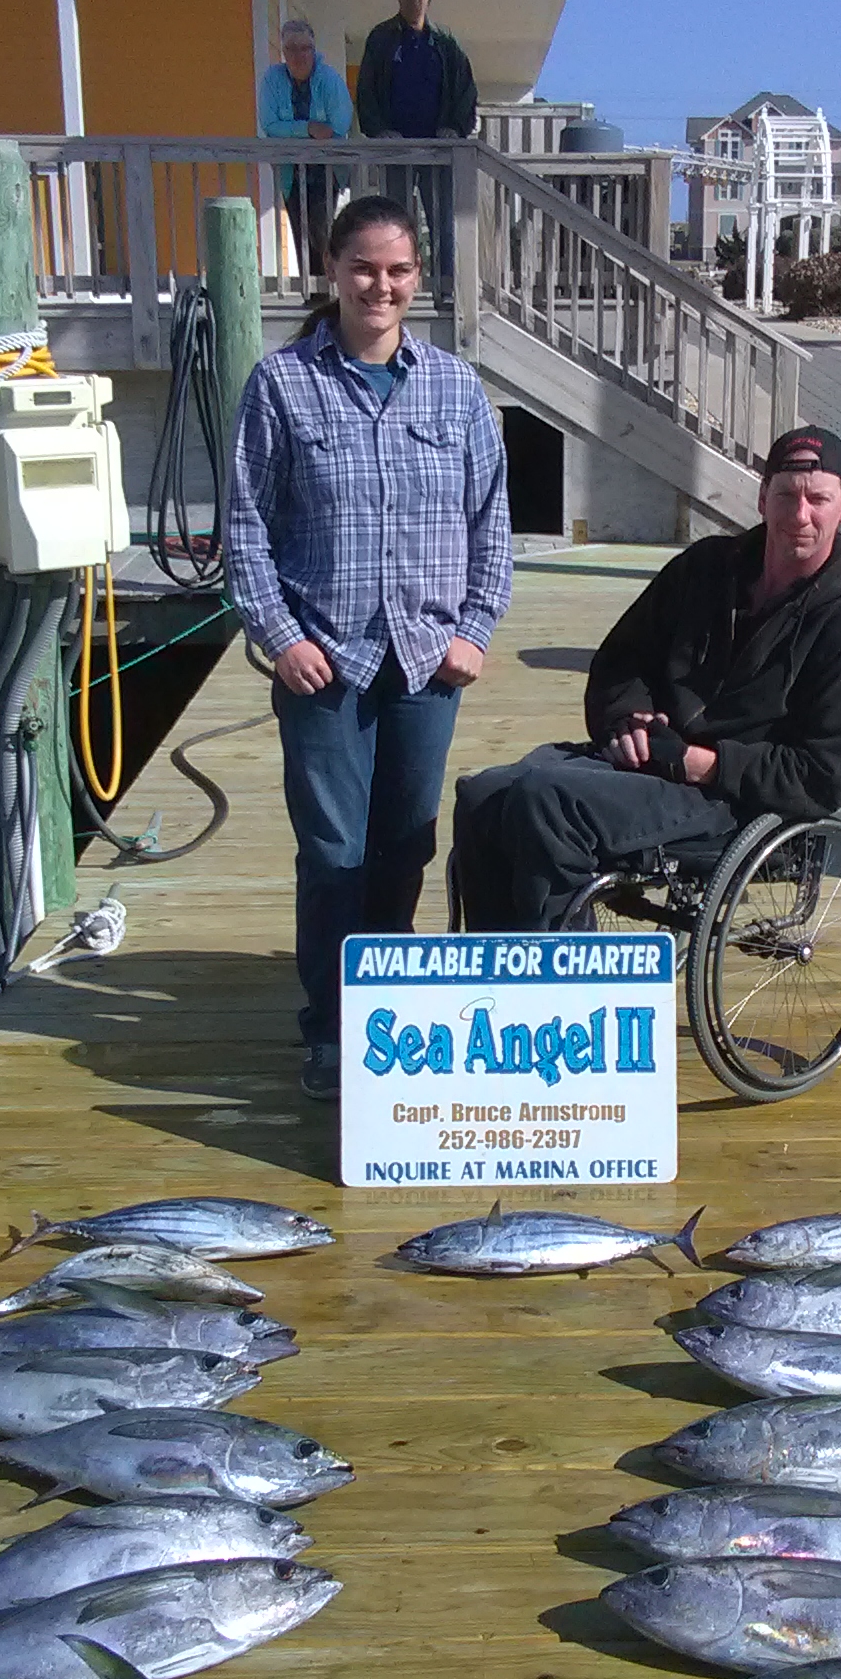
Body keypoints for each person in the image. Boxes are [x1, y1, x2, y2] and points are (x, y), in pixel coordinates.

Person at [225, 194, 512, 1101]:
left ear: (417, 279)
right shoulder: (280, 384)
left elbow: (492, 524)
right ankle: (332, 1029)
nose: (378, 286)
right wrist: (278, 637)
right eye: (362, 268)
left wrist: (474, 628)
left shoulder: (457, 387)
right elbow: (242, 527)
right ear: (332, 272)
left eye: (396, 271)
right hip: (324, 662)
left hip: (428, 659)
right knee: (332, 851)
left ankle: (387, 1007)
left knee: (404, 846)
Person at [451, 425, 841, 932]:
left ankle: (569, 995)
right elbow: (621, 659)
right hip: (652, 765)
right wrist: (627, 718)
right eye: (786, 496)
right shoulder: (707, 568)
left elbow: (822, 777)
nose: (800, 515)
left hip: (737, 802)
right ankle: (496, 982)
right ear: (762, 497)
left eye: (817, 499)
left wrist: (701, 763)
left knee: (547, 804)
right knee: (484, 795)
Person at [354, 0, 477, 283]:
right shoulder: (381, 39)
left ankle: (446, 286)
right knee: (395, 223)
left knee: (442, 222)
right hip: (396, 149)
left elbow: (466, 90)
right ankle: (397, 285)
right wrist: (379, 130)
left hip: (438, 150)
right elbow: (365, 90)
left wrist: (454, 128)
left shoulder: (446, 42)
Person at [257, 17, 354, 280]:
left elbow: (339, 123)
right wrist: (308, 129)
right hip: (291, 172)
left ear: (313, 50)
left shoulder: (329, 79)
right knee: (300, 234)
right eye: (292, 48)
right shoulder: (272, 80)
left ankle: (331, 291)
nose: (299, 55)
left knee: (322, 233)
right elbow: (269, 123)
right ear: (283, 53)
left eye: (305, 48)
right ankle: (311, 297)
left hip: (326, 170)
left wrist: (296, 130)